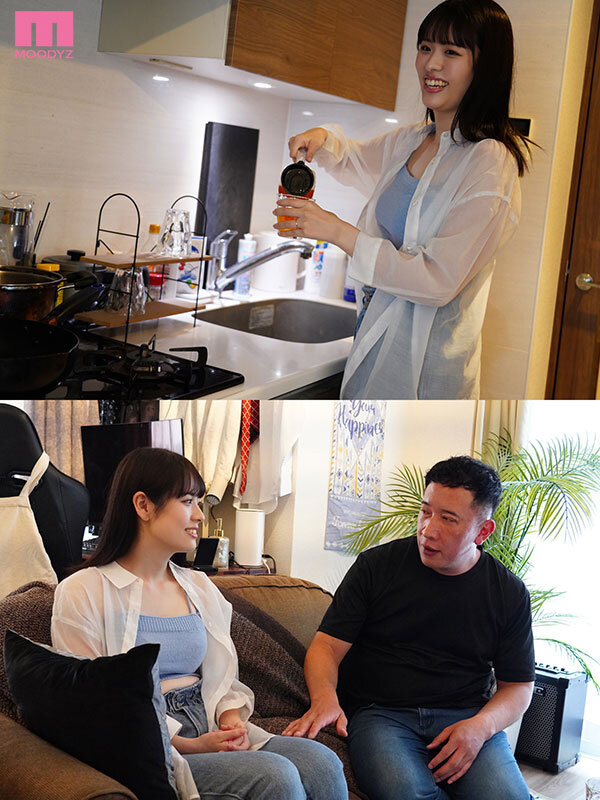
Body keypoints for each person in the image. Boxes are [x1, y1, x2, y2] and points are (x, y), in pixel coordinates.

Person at [51, 447, 347, 800]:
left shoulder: (200, 587)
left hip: (206, 719)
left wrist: (231, 721)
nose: (198, 516)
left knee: (322, 762)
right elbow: (94, 701)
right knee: (275, 776)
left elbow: (223, 676)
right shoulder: (83, 591)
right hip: (147, 742)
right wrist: (191, 744)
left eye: (199, 502)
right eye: (187, 501)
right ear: (143, 505)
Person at [274, 0, 533, 400]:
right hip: (373, 338)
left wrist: (337, 231)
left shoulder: (489, 161)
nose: (432, 64)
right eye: (425, 47)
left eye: (451, 52)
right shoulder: (414, 139)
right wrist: (323, 138)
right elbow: (355, 158)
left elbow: (437, 280)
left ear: (485, 66)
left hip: (426, 369)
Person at [282, 456, 535, 800]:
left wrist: (481, 727)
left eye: (448, 519)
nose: (428, 530)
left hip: (465, 716)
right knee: (407, 793)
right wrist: (325, 698)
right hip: (382, 715)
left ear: (482, 532)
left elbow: (518, 686)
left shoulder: (508, 592)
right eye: (425, 512)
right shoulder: (377, 566)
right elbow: (326, 646)